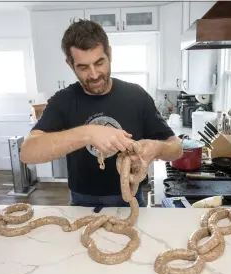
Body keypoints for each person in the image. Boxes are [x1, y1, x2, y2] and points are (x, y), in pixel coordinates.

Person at [20, 19, 182, 207]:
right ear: (70, 64)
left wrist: (157, 149)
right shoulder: (63, 101)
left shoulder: (137, 96)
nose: (94, 74)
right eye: (83, 67)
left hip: (131, 199)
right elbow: (27, 153)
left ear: (110, 54)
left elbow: (176, 148)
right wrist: (88, 133)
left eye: (99, 62)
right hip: (82, 202)